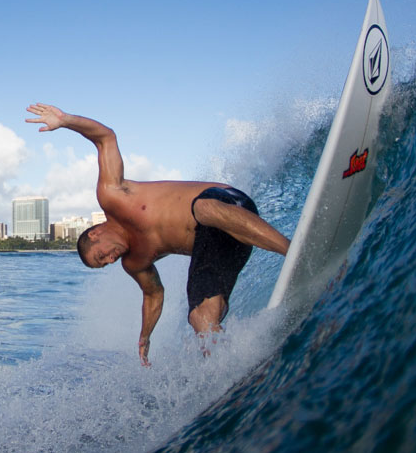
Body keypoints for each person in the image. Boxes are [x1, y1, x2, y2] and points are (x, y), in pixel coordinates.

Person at [26, 103, 290, 366]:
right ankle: (235, 371)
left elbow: (105, 138)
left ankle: (293, 250)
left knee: (203, 208)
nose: (109, 261)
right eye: (104, 264)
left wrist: (66, 120)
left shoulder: (112, 196)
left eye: (100, 256)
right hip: (215, 246)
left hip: (228, 205)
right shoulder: (135, 263)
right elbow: (153, 295)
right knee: (200, 319)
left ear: (95, 234)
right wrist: (145, 336)